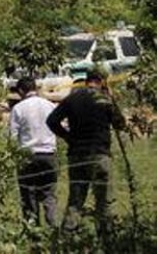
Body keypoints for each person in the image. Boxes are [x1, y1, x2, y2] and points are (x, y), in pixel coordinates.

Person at [46, 65, 126, 235]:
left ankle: (68, 234)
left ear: (86, 81)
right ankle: (106, 235)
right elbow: (120, 124)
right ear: (102, 81)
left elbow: (52, 121)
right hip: (99, 154)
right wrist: (112, 99)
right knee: (104, 199)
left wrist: (68, 137)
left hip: (76, 154)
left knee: (76, 198)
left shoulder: (72, 98)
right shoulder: (104, 100)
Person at [9, 76, 58, 226]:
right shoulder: (49, 105)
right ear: (35, 89)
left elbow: (12, 136)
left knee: (28, 193)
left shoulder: (18, 108)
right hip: (48, 153)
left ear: (22, 91)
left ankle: (32, 227)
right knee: (48, 193)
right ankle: (52, 226)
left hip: (27, 155)